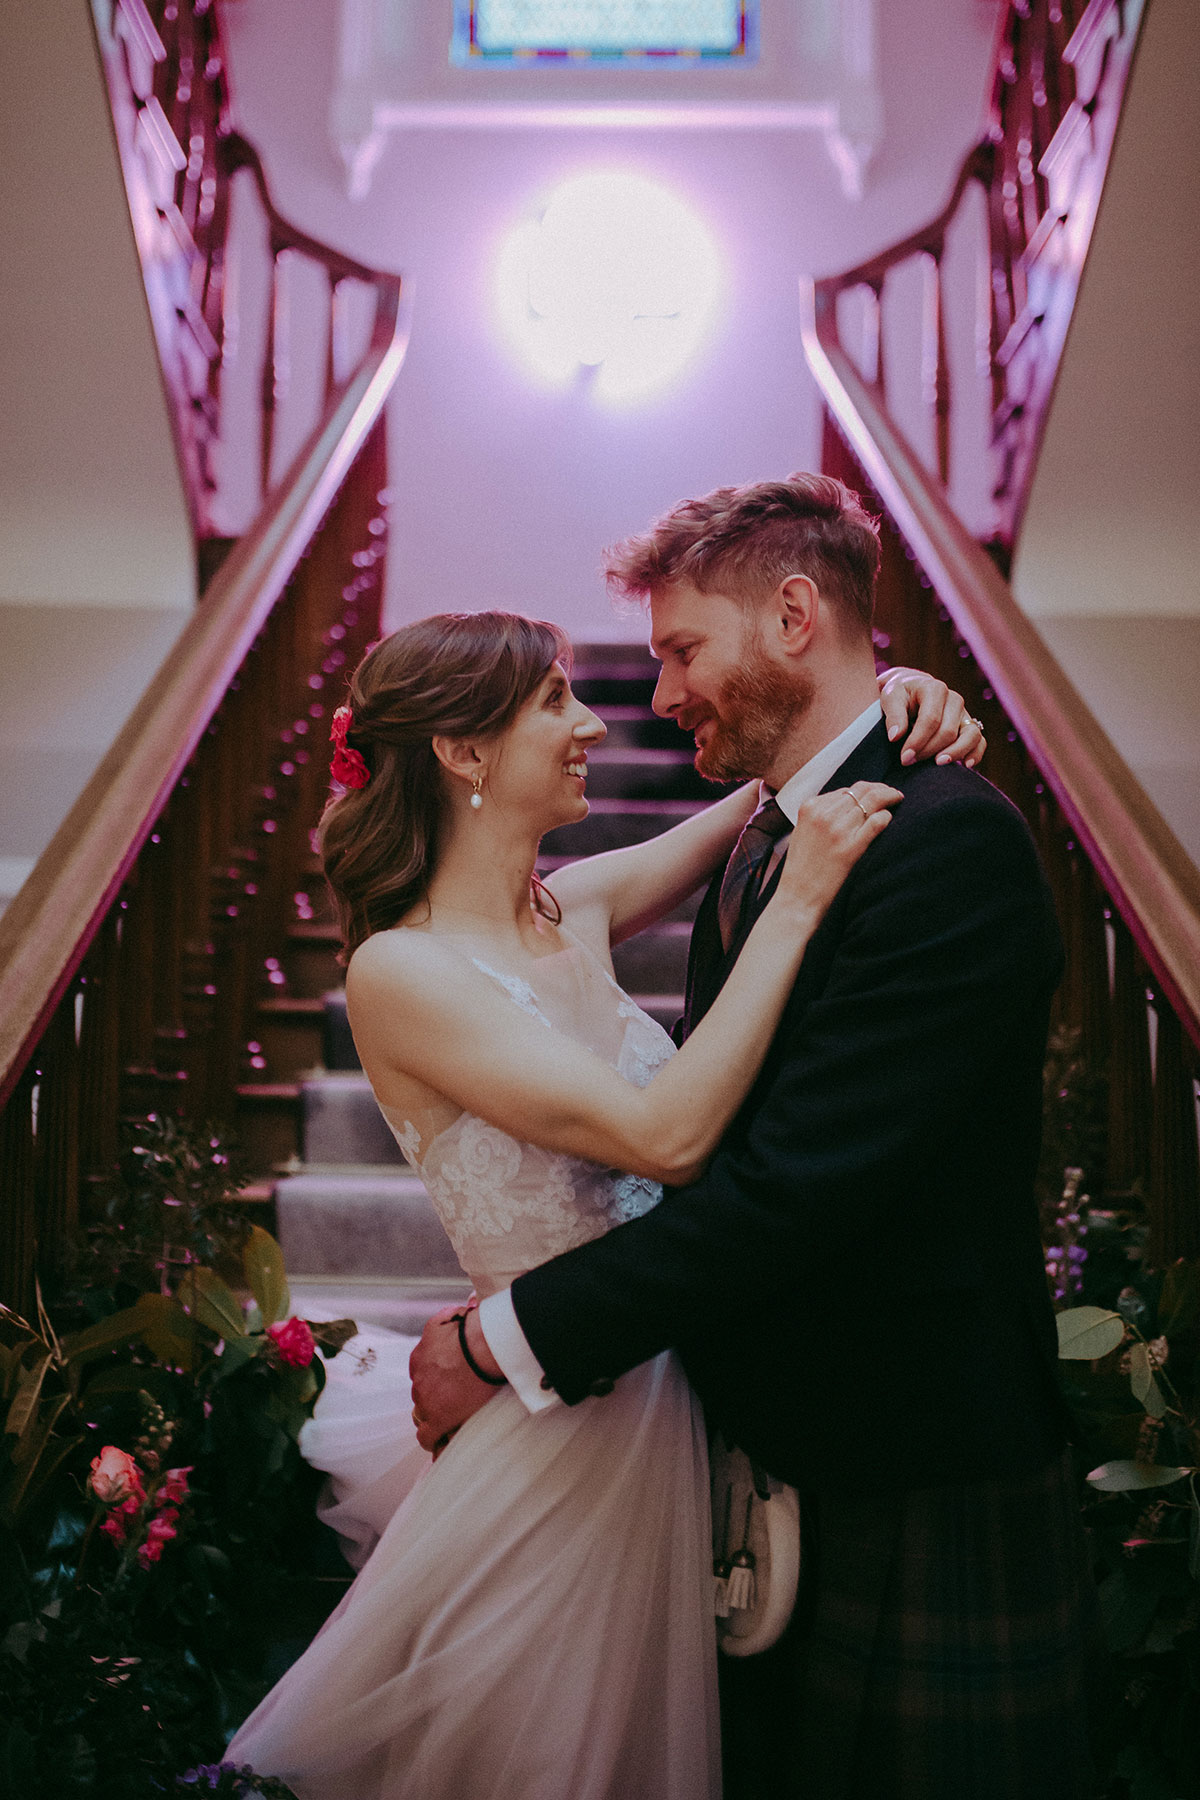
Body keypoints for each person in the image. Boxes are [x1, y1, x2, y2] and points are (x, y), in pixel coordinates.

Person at [411, 475, 1100, 1800]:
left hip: (917, 1462)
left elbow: (791, 1191)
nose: (659, 695)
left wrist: (506, 1342)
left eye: (682, 649)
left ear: (794, 615)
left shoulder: (949, 848)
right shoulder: (776, 838)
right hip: (784, 1449)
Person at [226, 598, 978, 1799]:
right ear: (464, 754)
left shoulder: (562, 908)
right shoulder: (401, 972)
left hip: (663, 1403)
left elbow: (785, 784)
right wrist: (798, 904)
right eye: (554, 703)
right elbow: (667, 1139)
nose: (591, 723)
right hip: (561, 1441)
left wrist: (906, 700)